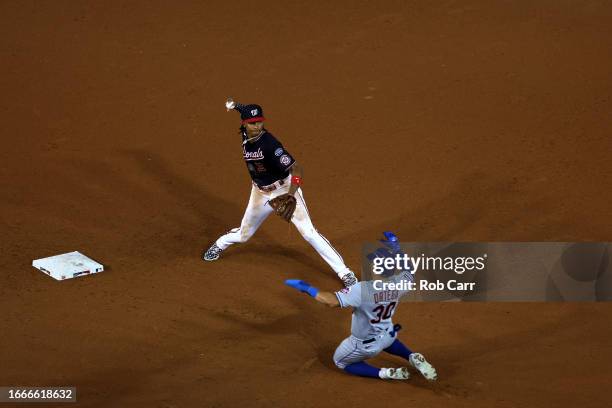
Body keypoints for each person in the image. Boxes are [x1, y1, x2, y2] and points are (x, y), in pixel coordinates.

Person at [203, 98, 358, 288]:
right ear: (244, 123)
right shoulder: (245, 135)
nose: (257, 126)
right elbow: (243, 110)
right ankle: (219, 244)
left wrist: (291, 194)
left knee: (309, 233)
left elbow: (297, 169)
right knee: (244, 235)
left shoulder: (270, 145)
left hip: (284, 189)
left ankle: (345, 273)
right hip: (259, 192)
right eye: (252, 123)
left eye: (260, 122)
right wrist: (235, 106)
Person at [284, 263, 438, 381]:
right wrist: (397, 250)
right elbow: (410, 272)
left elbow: (331, 301)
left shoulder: (362, 290)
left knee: (340, 362)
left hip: (365, 345)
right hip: (389, 334)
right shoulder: (398, 284)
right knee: (387, 339)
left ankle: (384, 373)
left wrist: (307, 288)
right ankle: (413, 357)